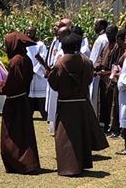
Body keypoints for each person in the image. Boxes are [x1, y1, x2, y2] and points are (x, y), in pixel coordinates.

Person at [47, 32, 109, 176]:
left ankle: (69, 167)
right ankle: (82, 163)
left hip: (66, 104)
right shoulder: (86, 61)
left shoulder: (60, 63)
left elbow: (54, 85)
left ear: (63, 46)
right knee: (81, 134)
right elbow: (88, 80)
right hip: (81, 104)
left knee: (65, 137)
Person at [0, 32, 40, 174]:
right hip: (22, 100)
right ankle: (28, 162)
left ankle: (20, 162)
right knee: (23, 132)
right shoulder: (25, 58)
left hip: (15, 101)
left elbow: (12, 84)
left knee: (12, 134)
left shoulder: (16, 61)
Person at [45, 19, 72, 134]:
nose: (56, 28)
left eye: (60, 26)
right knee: (51, 102)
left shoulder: (68, 43)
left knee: (56, 102)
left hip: (61, 76)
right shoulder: (55, 41)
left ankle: (58, 126)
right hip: (52, 73)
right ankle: (53, 125)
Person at [97, 24, 121, 134]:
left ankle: (112, 126)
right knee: (103, 102)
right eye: (107, 33)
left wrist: (106, 73)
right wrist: (97, 65)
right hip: (103, 78)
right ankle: (104, 124)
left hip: (111, 78)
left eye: (111, 33)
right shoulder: (107, 44)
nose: (108, 35)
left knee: (111, 103)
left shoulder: (117, 46)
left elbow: (117, 64)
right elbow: (101, 57)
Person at [25, 27, 49, 119]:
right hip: (29, 74)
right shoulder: (25, 45)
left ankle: (45, 114)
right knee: (29, 96)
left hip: (38, 74)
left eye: (30, 33)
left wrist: (35, 70)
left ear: (35, 33)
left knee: (41, 96)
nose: (28, 35)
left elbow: (43, 58)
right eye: (27, 32)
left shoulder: (40, 45)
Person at [88, 19, 109, 115]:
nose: (94, 27)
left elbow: (96, 57)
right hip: (94, 71)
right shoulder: (101, 38)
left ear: (101, 25)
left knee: (95, 97)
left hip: (96, 72)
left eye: (96, 25)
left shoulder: (102, 39)